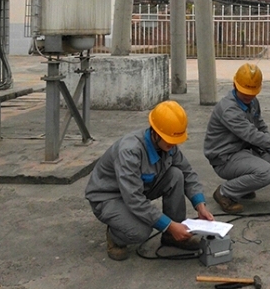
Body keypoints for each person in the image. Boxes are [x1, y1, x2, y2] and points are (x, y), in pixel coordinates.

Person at [85, 100, 214, 261]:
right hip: (109, 197)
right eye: (169, 140)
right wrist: (168, 224)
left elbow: (187, 172)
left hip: (138, 190)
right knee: (140, 232)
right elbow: (134, 199)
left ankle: (171, 237)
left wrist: (200, 205)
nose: (173, 145)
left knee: (176, 175)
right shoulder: (130, 151)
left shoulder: (167, 145)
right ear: (155, 132)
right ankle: (115, 235)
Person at [204, 63, 270, 214]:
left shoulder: (252, 102)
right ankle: (225, 192)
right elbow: (251, 134)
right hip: (225, 157)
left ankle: (241, 187)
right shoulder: (228, 109)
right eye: (245, 92)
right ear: (234, 85)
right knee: (266, 173)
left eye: (252, 92)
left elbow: (260, 126)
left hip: (244, 151)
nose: (248, 96)